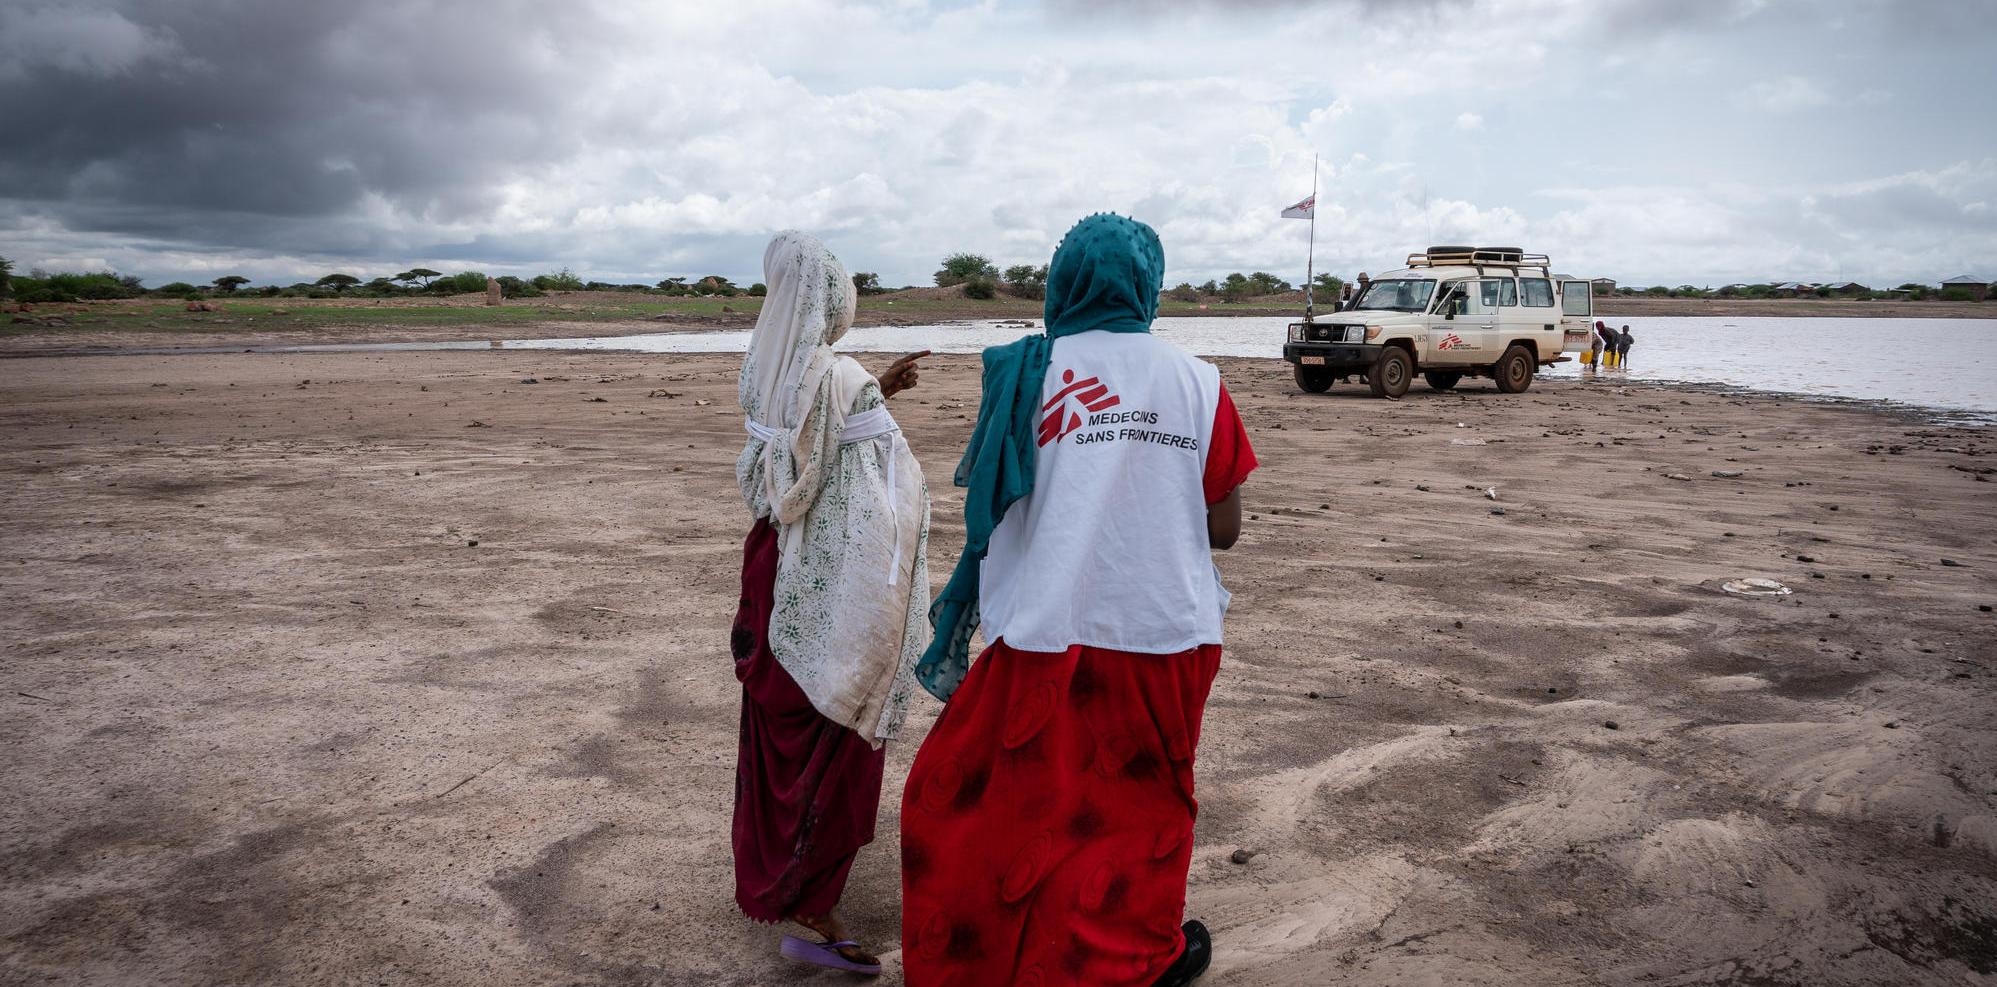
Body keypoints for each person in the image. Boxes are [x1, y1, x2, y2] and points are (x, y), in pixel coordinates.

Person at [901, 213, 1257, 987]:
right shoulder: (1198, 380)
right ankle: (1138, 957)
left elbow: (993, 500)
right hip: (1165, 628)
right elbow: (1222, 526)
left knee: (1009, 802)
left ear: (1062, 283)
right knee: (1143, 808)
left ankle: (996, 958)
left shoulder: (1026, 372)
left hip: (1043, 626)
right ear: (1147, 283)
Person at [731, 230, 932, 975]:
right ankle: (815, 905)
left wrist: (874, 384)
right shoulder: (843, 381)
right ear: (831, 296)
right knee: (835, 724)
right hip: (827, 574)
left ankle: (769, 871)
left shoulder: (762, 369)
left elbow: (802, 442)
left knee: (777, 721)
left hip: (770, 566)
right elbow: (890, 494)